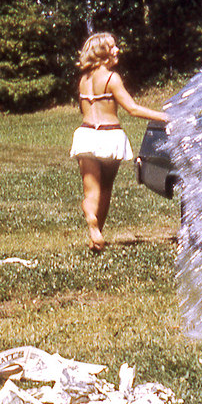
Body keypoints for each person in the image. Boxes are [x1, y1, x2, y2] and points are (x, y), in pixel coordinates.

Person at [70, 33, 168, 251]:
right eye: (112, 47)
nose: (117, 50)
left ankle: (93, 230)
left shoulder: (83, 80)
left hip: (86, 135)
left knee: (90, 193)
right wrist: (165, 117)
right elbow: (132, 109)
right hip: (109, 135)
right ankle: (98, 231)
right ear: (102, 52)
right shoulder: (111, 78)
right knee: (105, 188)